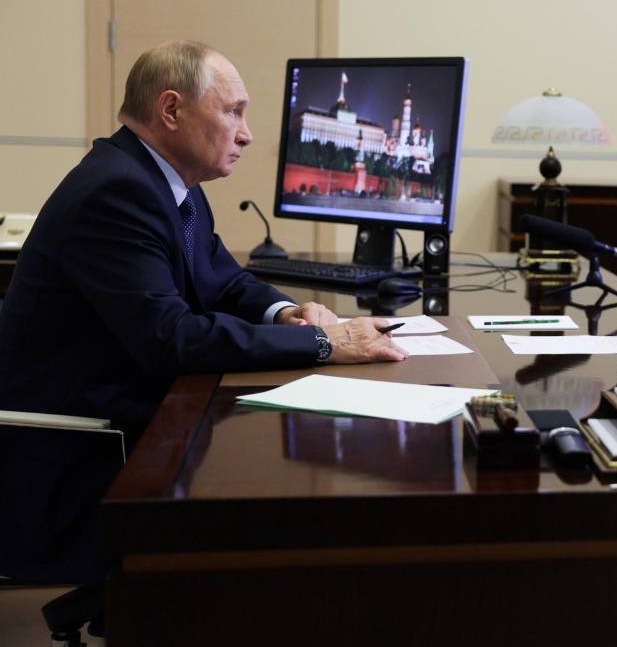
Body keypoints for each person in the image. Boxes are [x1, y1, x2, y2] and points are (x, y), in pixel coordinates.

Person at [0, 41, 407, 582]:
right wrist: (328, 343)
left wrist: (285, 313)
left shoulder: (165, 182)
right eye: (232, 111)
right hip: (77, 447)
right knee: (276, 491)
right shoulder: (117, 191)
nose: (247, 133)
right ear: (170, 111)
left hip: (129, 409)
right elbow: (170, 338)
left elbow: (223, 280)